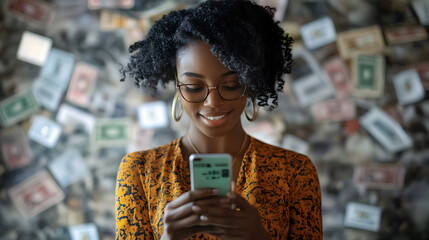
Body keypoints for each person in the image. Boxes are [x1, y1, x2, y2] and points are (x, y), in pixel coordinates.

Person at [115, 1, 323, 239]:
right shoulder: (139, 172)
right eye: (193, 86)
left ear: (250, 82)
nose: (212, 102)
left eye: (231, 85)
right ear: (176, 84)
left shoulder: (295, 173)